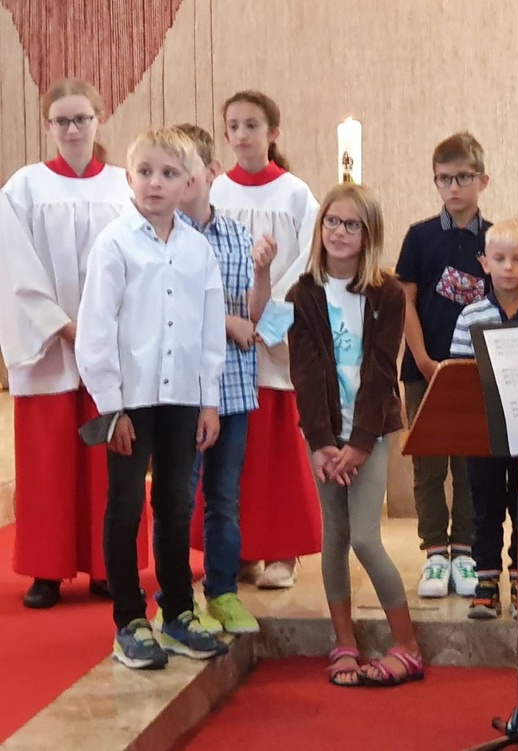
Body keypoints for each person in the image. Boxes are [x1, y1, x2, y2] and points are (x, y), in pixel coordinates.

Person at [75, 127, 228, 669]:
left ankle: (179, 612)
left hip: (183, 396)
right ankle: (129, 621)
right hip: (131, 399)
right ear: (129, 177)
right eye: (145, 172)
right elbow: (96, 329)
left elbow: (209, 329)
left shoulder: (197, 248)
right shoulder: (115, 244)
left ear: (189, 182)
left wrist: (209, 399)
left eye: (168, 174)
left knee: (175, 504)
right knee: (124, 507)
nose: (156, 183)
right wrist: (111, 405)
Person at [0, 78, 142, 610]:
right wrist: (64, 327)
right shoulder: (24, 188)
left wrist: (106, 330)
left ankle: (109, 567)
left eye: (82, 118)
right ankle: (47, 570)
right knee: (49, 460)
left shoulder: (124, 188)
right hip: (51, 349)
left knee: (111, 459)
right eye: (62, 120)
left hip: (112, 346)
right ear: (48, 126)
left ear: (98, 119)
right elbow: (14, 269)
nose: (73, 128)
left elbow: (141, 262)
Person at [287, 183, 423, 688]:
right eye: (332, 221)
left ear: (368, 235)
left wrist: (360, 444)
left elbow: (383, 370)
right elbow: (303, 373)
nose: (339, 232)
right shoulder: (303, 294)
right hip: (324, 438)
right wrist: (320, 442)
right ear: (320, 226)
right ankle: (344, 640)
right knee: (335, 538)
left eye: (351, 225)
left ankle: (407, 644)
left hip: (370, 434)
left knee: (365, 537)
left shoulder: (387, 293)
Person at [209, 90, 322, 590]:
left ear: (273, 133)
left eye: (252, 125)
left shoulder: (295, 195)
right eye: (233, 126)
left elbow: (310, 262)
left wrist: (268, 322)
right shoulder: (215, 192)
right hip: (225, 336)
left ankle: (281, 550)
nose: (241, 134)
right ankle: (238, 549)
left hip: (275, 341)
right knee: (235, 451)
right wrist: (227, 321)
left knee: (275, 448)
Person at [168, 123, 277, 634]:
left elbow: (254, 316)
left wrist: (263, 272)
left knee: (224, 499)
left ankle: (223, 593)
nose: (175, 177)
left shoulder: (235, 234)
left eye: (184, 167)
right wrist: (226, 323)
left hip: (232, 385)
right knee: (177, 497)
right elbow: (166, 311)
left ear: (211, 171)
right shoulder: (160, 235)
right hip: (181, 390)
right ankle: (175, 600)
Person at [396, 132, 491, 600]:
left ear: (482, 180)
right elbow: (406, 302)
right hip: (425, 368)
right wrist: (421, 358)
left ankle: (466, 549)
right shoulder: (420, 237)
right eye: (444, 178)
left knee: (471, 464)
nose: (454, 187)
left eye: (463, 177)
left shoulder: (495, 238)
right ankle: (435, 551)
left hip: (476, 372)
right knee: (429, 463)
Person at [449, 219, 518, 621]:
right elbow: (460, 377)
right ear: (485, 263)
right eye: (499, 258)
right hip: (484, 433)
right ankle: (486, 582)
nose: (508, 267)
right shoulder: (469, 316)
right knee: (485, 508)